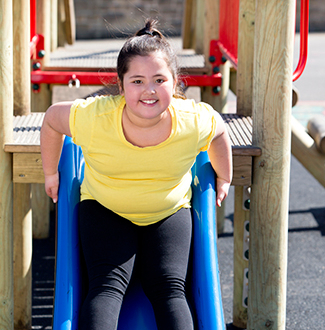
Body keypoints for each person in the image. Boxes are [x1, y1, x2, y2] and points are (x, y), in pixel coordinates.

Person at [40, 19, 232, 330]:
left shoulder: (192, 120)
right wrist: (50, 173)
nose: (149, 91)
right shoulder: (96, 116)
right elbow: (51, 120)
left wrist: (224, 175)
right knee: (106, 285)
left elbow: (220, 131)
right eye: (137, 81)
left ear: (175, 82)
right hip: (106, 210)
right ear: (121, 84)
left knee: (169, 287)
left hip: (167, 212)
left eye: (159, 79)